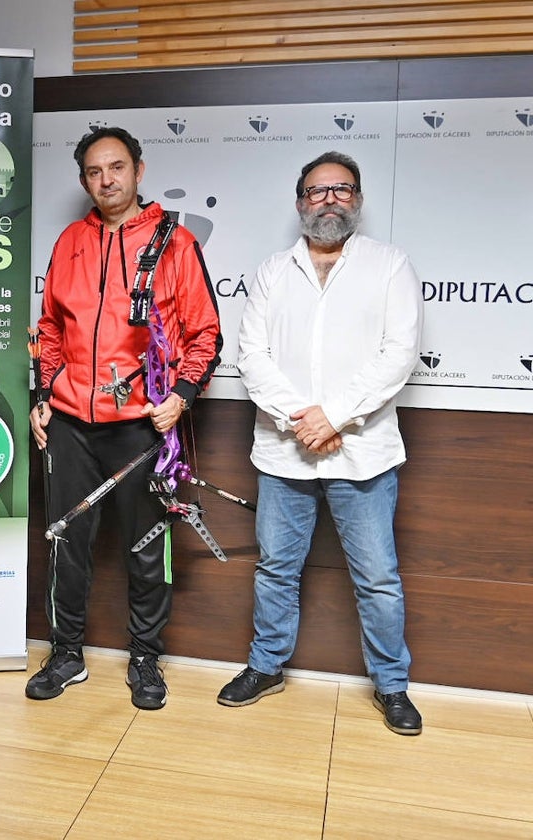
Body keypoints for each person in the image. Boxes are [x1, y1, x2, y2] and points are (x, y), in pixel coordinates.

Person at [217, 151, 424, 736]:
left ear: (356, 199)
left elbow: (398, 354)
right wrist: (300, 419)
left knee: (377, 577)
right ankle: (265, 667)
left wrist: (332, 417)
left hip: (363, 452)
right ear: (300, 200)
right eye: (316, 190)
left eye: (341, 189)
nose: (329, 199)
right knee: (276, 570)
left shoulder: (389, 265)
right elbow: (250, 356)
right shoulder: (271, 272)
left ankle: (392, 685)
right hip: (285, 452)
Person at [28, 127, 222, 709]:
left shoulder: (175, 242)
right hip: (70, 423)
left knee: (146, 545)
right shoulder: (69, 241)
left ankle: (145, 658)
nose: (106, 180)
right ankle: (66, 654)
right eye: (93, 171)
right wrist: (43, 394)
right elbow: (52, 330)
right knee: (68, 544)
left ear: (138, 169)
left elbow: (205, 334)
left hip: (143, 427)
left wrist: (182, 394)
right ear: (84, 179)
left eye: (116, 167)